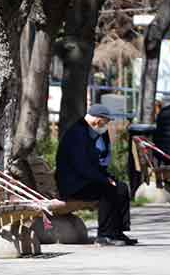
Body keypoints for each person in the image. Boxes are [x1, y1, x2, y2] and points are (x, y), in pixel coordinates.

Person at [55, 104, 137, 247]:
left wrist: (108, 177)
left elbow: (94, 164)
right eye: (106, 122)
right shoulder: (77, 133)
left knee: (121, 187)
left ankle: (117, 232)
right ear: (98, 120)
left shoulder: (91, 131)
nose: (107, 125)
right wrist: (104, 180)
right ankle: (104, 235)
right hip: (73, 183)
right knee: (107, 189)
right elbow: (81, 166)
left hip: (85, 180)